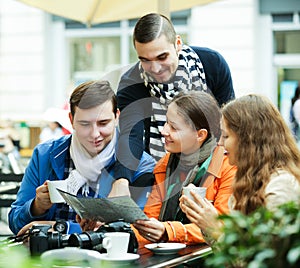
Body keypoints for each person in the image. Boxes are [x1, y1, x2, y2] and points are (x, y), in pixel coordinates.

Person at [109, 12, 235, 199]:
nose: (155, 68)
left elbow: (229, 125)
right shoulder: (131, 83)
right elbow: (131, 137)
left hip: (215, 169)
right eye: (145, 60)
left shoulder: (212, 64)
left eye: (162, 57)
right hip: (159, 176)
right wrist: (121, 181)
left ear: (177, 44)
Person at [8, 80, 155, 236]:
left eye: (103, 123)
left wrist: (63, 228)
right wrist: (37, 206)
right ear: (71, 120)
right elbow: (16, 224)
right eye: (85, 124)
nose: (94, 134)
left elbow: (137, 231)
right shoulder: (44, 155)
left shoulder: (141, 164)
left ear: (116, 117)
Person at [180, 94, 300, 243]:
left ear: (248, 139)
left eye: (226, 136)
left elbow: (263, 257)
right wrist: (205, 223)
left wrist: (215, 227)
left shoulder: (281, 184)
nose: (220, 144)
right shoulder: (247, 180)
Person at [129, 91, 236, 247]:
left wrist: (169, 231)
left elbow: (222, 227)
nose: (164, 131)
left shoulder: (228, 165)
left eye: (173, 127)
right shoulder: (165, 164)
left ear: (200, 135)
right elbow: (150, 220)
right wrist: (115, 232)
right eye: (166, 122)